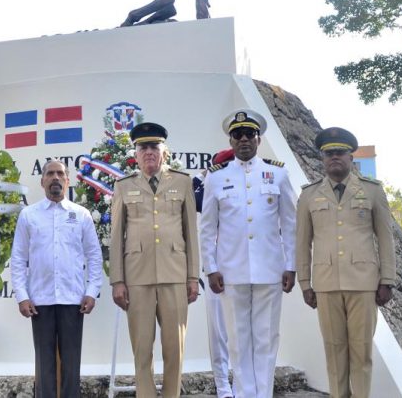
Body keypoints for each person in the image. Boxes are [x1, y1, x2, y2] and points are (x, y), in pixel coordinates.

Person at [200, 111, 297, 398]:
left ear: (259, 139)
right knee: (239, 341)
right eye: (238, 134)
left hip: (270, 270)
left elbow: (290, 224)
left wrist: (291, 265)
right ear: (230, 139)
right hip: (231, 270)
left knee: (266, 339)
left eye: (249, 134)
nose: (244, 139)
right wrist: (211, 268)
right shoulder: (217, 178)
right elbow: (207, 228)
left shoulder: (278, 174)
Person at [296, 127, 396, 398]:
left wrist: (387, 280)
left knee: (361, 352)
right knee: (334, 352)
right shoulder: (309, 195)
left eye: (340, 152)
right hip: (326, 283)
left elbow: (385, 239)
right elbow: (302, 243)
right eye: (329, 154)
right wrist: (305, 283)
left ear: (351, 157)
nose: (334, 158)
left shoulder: (372, 191)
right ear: (322, 158)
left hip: (363, 283)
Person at [110, 122, 199, 398]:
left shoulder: (182, 182)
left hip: (174, 274)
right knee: (142, 348)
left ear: (164, 151)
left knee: (175, 348)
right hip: (137, 277)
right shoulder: (124, 186)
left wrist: (193, 276)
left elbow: (190, 232)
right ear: (135, 154)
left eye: (154, 146)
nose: (149, 152)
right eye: (143, 147)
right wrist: (117, 280)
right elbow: (116, 236)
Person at [10, 160, 103, 398]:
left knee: (72, 365)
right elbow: (18, 258)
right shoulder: (28, 215)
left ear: (67, 180)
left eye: (60, 174)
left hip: (73, 300)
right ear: (42, 181)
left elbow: (94, 255)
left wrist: (92, 291)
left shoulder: (80, 215)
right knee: (44, 365)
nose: (55, 178)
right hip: (40, 301)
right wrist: (22, 296)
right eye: (50, 174)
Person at [193, 148, 234, 398]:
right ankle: (222, 384)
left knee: (244, 331)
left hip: (243, 267)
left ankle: (242, 383)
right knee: (218, 329)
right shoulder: (203, 187)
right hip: (215, 268)